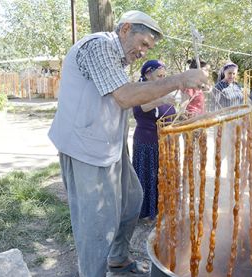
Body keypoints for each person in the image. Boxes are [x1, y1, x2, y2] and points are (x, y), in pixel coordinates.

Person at [48, 10, 208, 277]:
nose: (144, 51)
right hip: (84, 149)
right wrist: (179, 79)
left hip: (108, 146)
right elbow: (124, 97)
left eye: (149, 47)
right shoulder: (97, 46)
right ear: (125, 29)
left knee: (132, 200)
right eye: (143, 43)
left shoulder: (117, 57)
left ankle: (118, 259)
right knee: (96, 227)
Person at [132, 60, 175, 220]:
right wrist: (161, 100)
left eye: (164, 76)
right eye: (159, 75)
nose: (163, 79)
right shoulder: (140, 91)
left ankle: (159, 208)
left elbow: (170, 114)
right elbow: (139, 108)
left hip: (164, 142)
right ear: (148, 74)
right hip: (147, 142)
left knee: (161, 176)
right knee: (148, 176)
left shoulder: (162, 90)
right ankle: (145, 211)